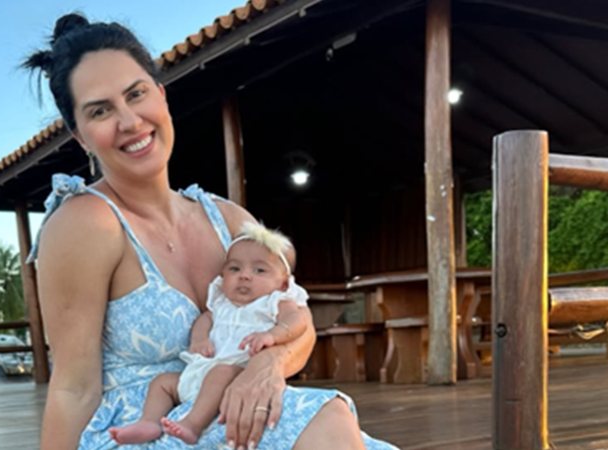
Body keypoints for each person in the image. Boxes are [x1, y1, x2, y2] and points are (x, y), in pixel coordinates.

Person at [23, 12, 397, 450]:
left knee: (334, 422)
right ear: (80, 137)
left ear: (161, 95)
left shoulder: (228, 220)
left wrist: (269, 365)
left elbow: (298, 321)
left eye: (136, 94)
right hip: (141, 429)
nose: (129, 121)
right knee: (327, 419)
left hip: (225, 411)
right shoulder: (85, 223)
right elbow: (73, 388)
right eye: (100, 110)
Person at [109, 222, 310, 445]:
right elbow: (205, 319)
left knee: (220, 373)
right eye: (234, 269)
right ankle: (149, 422)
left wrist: (273, 335)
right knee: (163, 383)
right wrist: (200, 339)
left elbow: (298, 321)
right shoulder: (222, 303)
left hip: (237, 374)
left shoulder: (274, 301)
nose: (244, 276)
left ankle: (192, 425)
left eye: (259, 270)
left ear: (283, 284)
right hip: (200, 370)